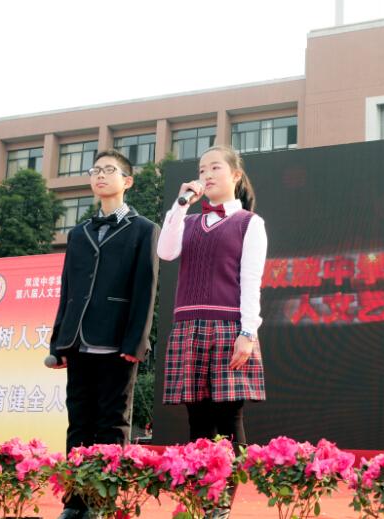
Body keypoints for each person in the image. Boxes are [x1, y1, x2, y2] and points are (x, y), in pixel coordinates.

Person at [49, 149, 159, 519]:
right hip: (77, 340)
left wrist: (136, 341)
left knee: (112, 423)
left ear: (127, 181)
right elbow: (67, 289)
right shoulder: (78, 233)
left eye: (109, 170)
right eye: (95, 170)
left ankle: (103, 502)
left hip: (117, 342)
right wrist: (58, 342)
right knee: (78, 422)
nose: (100, 175)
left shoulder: (144, 230)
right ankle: (74, 502)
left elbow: (145, 290)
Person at [158, 144, 267, 518]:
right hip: (189, 327)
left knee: (228, 419)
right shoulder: (188, 221)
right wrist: (180, 205)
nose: (206, 175)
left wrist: (248, 333)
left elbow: (251, 281)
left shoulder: (249, 223)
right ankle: (202, 500)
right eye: (202, 169)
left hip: (228, 327)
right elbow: (166, 252)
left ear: (235, 175)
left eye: (215, 168)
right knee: (198, 420)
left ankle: (221, 505)